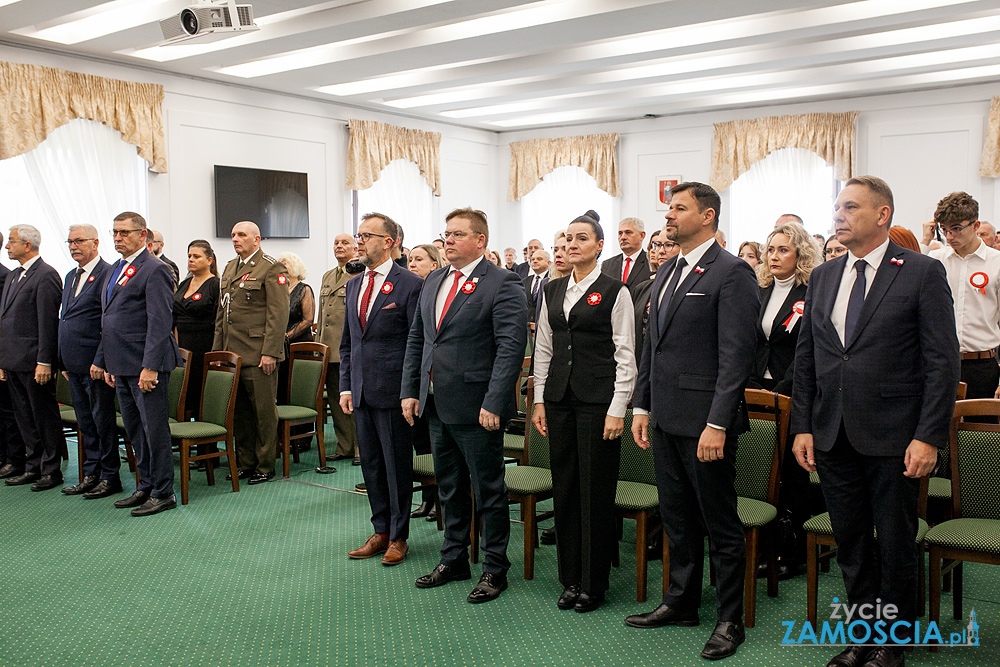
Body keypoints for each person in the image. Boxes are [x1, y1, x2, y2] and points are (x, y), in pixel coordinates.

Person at [791, 176, 960, 667]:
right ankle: (863, 635)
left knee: (894, 542)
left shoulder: (921, 272)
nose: (838, 216)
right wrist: (803, 424)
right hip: (832, 432)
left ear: (882, 214)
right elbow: (809, 359)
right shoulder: (824, 276)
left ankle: (894, 642)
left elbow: (942, 363)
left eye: (850, 207)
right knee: (851, 542)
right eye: (836, 207)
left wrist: (928, 436)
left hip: (895, 435)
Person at [626, 182, 759, 661]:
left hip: (706, 423)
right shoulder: (666, 271)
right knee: (677, 518)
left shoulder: (732, 271)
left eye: (678, 208)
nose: (669, 216)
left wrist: (718, 422)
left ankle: (729, 619)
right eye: (668, 208)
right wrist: (641, 407)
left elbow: (736, 355)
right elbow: (652, 350)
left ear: (707, 216)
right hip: (664, 416)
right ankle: (681, 601)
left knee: (719, 523)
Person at [402, 207, 527, 604]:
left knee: (487, 490)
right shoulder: (435, 279)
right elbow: (419, 340)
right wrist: (411, 389)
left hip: (478, 407)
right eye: (447, 233)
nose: (449, 240)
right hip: (436, 403)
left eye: (458, 234)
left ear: (480, 241)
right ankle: (453, 558)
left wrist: (494, 400)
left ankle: (494, 568)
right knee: (450, 487)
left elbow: (510, 348)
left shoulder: (503, 283)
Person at [531, 210, 636, 613]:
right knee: (566, 490)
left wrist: (618, 409)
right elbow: (544, 349)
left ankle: (593, 583)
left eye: (582, 238)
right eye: (568, 238)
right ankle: (569, 578)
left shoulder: (616, 290)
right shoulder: (553, 290)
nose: (572, 244)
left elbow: (625, 355)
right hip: (558, 400)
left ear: (598, 246)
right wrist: (539, 398)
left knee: (595, 493)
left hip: (598, 404)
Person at [340, 213, 423, 566]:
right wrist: (345, 386)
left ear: (388, 242)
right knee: (371, 466)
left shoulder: (410, 284)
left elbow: (416, 343)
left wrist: (410, 390)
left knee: (395, 466)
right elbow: (348, 343)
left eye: (366, 235)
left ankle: (399, 535)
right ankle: (380, 530)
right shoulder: (354, 284)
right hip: (360, 390)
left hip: (394, 392)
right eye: (358, 235)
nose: (359, 241)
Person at [93, 212, 181, 516]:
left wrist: (150, 366)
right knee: (135, 429)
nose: (118, 238)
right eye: (114, 232)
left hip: (145, 364)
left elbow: (159, 322)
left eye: (124, 233)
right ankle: (145, 485)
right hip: (122, 363)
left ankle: (163, 491)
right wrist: (107, 362)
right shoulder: (117, 268)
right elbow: (109, 319)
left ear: (143, 235)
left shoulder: (155, 269)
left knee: (154, 429)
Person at [749, 222, 821, 579]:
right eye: (771, 250)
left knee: (791, 476)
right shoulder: (759, 289)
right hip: (755, 392)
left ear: (800, 255)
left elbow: (807, 351)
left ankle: (793, 552)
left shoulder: (810, 292)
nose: (774, 256)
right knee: (761, 472)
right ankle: (762, 543)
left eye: (783, 250)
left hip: (793, 394)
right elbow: (750, 341)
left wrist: (782, 389)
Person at [214, 221, 290, 486]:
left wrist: (270, 352)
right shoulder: (230, 267)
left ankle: (266, 463)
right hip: (233, 354)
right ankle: (246, 462)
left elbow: (278, 315)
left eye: (241, 235)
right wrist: (217, 352)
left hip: (259, 354)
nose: (235, 239)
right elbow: (223, 315)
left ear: (256, 239)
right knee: (241, 414)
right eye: (233, 234)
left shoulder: (272, 267)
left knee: (263, 412)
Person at [0, 224, 65, 491]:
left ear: (28, 245)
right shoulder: (15, 275)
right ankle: (32, 466)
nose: (6, 246)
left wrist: (45, 361)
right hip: (13, 360)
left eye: (11, 241)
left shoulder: (46, 274)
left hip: (35, 361)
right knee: (23, 417)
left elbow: (47, 323)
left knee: (43, 417)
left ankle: (51, 470)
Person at [59, 224, 121, 498]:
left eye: (79, 241)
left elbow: (107, 323)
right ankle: (91, 473)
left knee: (102, 421)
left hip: (96, 363)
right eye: (70, 241)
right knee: (86, 422)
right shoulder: (71, 275)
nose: (73, 246)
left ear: (95, 243)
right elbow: (67, 318)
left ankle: (110, 477)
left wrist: (101, 360)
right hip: (73, 362)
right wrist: (61, 359)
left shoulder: (108, 273)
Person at [925, 192, 1000, 401]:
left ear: (975, 226)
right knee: (939, 429)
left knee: (980, 428)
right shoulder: (935, 260)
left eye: (956, 229)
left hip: (982, 364)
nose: (949, 237)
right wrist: (925, 240)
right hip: (940, 363)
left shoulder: (996, 262)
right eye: (944, 230)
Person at [173, 240, 220, 466]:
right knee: (187, 399)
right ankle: (190, 445)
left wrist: (216, 353)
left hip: (204, 348)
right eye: (189, 256)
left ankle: (208, 451)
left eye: (197, 256)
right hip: (183, 351)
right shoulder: (184, 284)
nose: (191, 260)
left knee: (203, 400)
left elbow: (219, 322)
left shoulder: (215, 285)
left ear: (209, 260)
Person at [317, 233, 361, 465]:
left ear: (355, 249)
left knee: (353, 399)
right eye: (336, 243)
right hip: (329, 349)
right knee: (336, 399)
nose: (339, 246)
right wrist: (319, 345)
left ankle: (359, 449)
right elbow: (321, 314)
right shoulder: (327, 276)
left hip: (350, 348)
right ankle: (343, 446)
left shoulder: (359, 274)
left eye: (345, 243)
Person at [0, 231, 26, 480]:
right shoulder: (13, 275)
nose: (9, 246)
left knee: (9, 411)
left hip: (13, 354)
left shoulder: (4, 275)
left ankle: (15, 459)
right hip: (9, 354)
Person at [277, 252, 315, 406]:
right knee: (282, 388)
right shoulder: (278, 290)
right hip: (280, 347)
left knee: (298, 389)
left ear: (294, 267)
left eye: (284, 263)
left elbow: (308, 319)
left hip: (299, 345)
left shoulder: (304, 289)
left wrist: (288, 335)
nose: (280, 266)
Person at [601, 217, 651, 294]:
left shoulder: (650, 263)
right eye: (620, 233)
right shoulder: (607, 265)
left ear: (642, 235)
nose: (623, 237)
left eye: (628, 232)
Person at [524, 249, 551, 326]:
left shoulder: (552, 280)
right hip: (527, 326)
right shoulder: (524, 281)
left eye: (539, 259)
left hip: (545, 325)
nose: (535, 261)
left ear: (548, 263)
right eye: (532, 259)